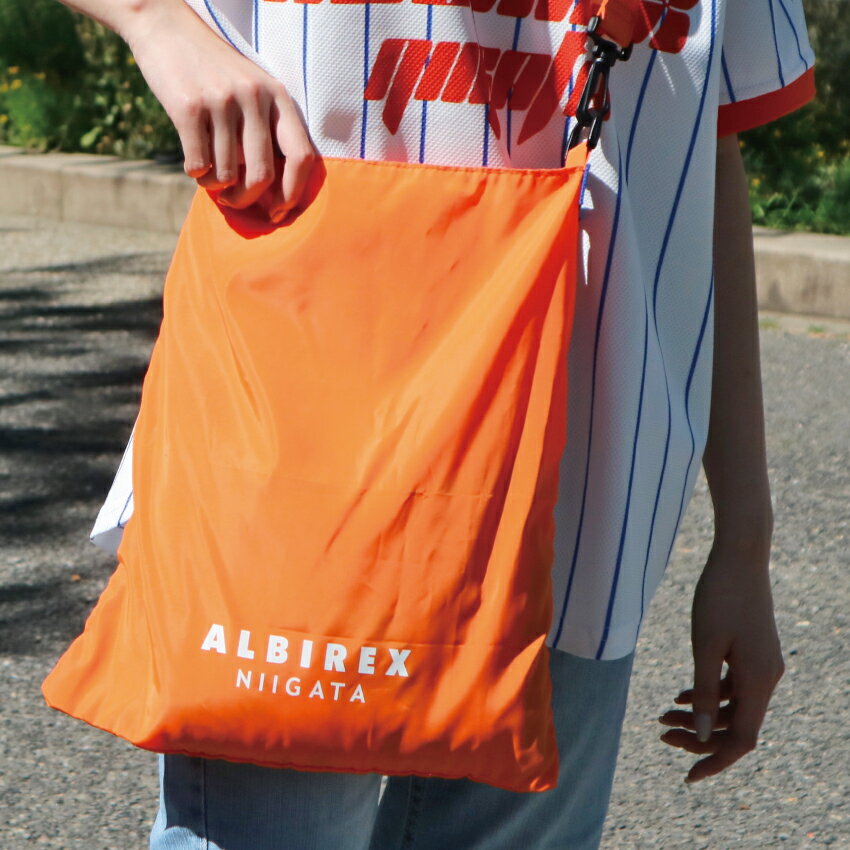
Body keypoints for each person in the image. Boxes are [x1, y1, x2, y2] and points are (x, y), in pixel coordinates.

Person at [53, 0, 815, 847]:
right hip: (297, 448)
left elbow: (704, 153)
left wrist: (744, 541)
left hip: (581, 500)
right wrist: (156, 25)